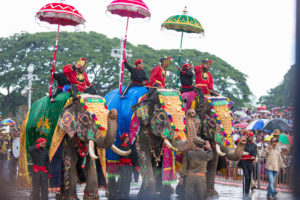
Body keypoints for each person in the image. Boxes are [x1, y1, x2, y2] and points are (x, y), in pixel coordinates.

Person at [118, 133, 138, 200]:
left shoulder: (131, 146)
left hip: (129, 166)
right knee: (123, 180)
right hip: (122, 166)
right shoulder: (119, 146)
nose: (128, 139)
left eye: (128, 138)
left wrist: (135, 165)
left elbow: (133, 156)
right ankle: (122, 194)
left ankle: (126, 194)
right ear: (123, 138)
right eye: (126, 138)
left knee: (128, 180)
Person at [238, 132, 258, 198]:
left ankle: (247, 192)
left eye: (252, 137)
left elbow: (254, 154)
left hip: (250, 162)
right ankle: (245, 192)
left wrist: (253, 156)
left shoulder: (255, 145)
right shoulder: (244, 144)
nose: (251, 138)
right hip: (244, 161)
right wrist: (243, 138)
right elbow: (238, 143)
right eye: (250, 137)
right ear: (248, 137)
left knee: (249, 177)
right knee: (246, 176)